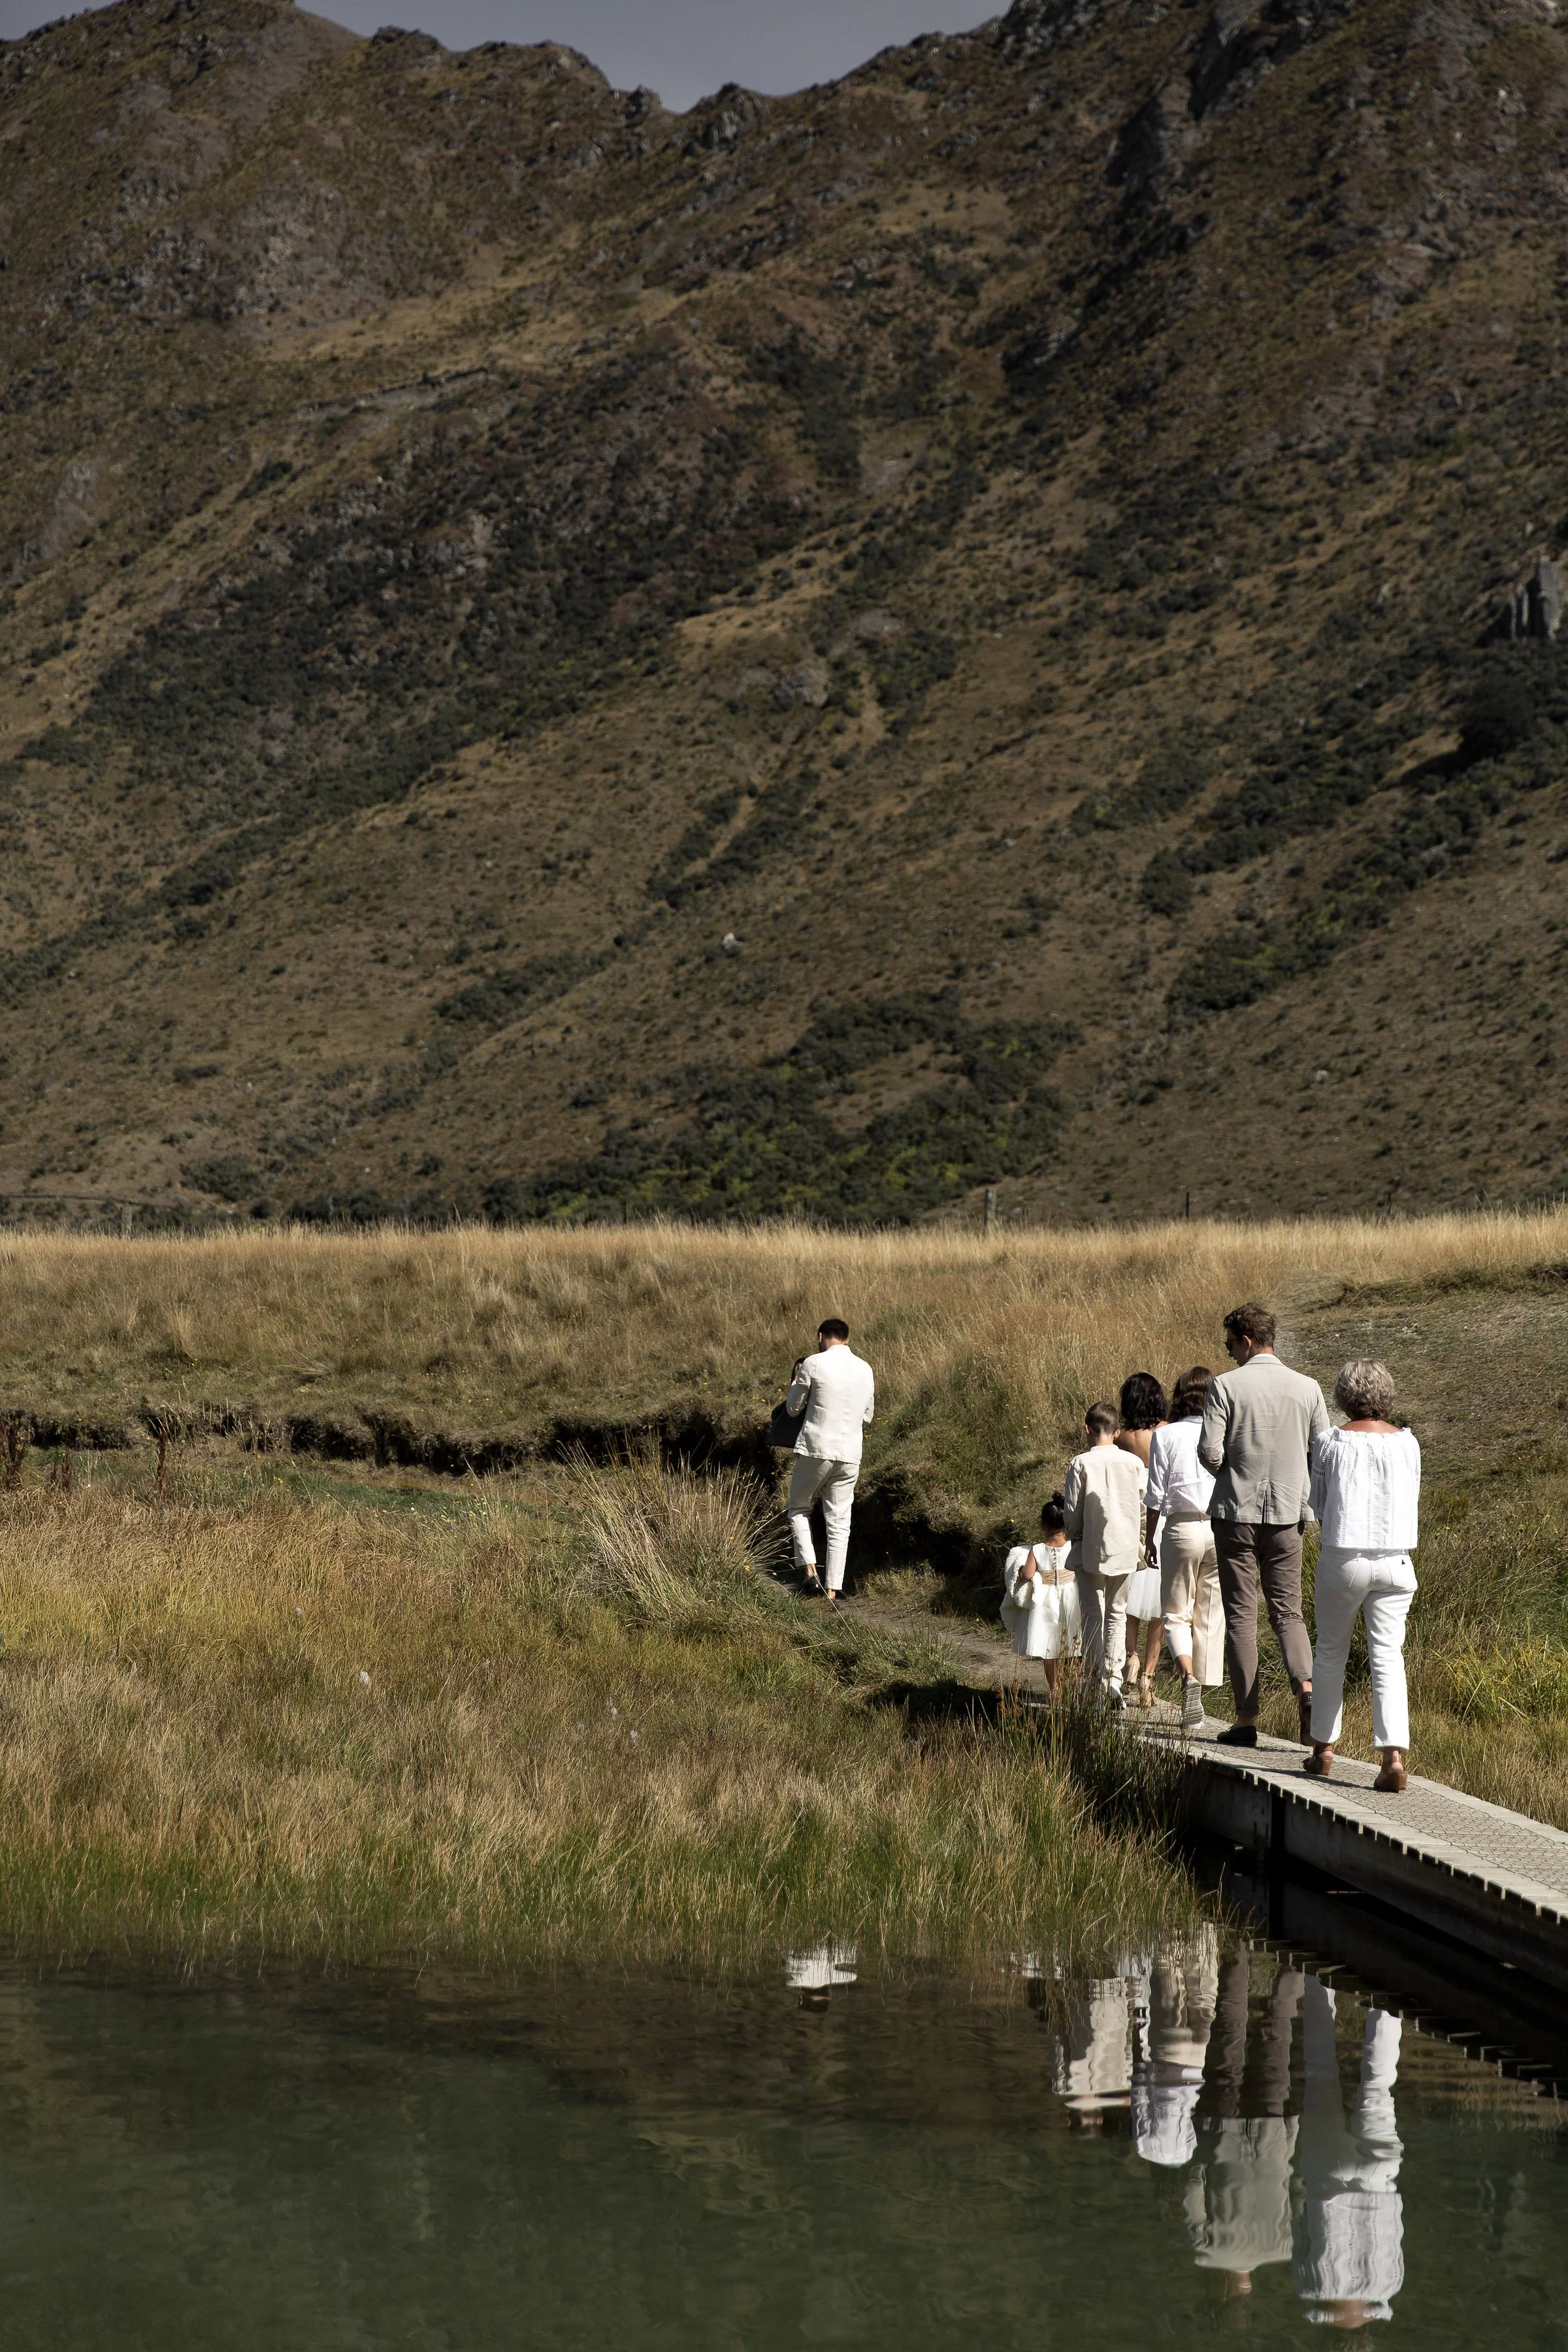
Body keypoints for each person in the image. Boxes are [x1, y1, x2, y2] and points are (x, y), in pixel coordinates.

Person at [1198, 1302, 1329, 1750]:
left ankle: (1246, 1718)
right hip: (1290, 1514)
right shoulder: (1308, 1388)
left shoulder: (1225, 1386)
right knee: (1288, 1611)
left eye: (1231, 1344)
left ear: (1247, 1341)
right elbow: (1322, 1449)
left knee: (1241, 1614)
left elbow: (1209, 1450)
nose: (1230, 1353)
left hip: (1236, 1512)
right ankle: (1307, 1691)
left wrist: (1230, 1474)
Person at [1305, 1360, 1420, 1793]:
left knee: (1331, 1650)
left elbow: (1318, 1503)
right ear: (1386, 1396)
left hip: (1344, 1553)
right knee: (1389, 1656)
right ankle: (1392, 1755)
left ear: (1344, 1396)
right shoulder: (1409, 1444)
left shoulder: (1330, 1443)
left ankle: (1324, 1749)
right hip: (1396, 1557)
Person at [1184, 1947, 1303, 2300]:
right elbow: (1193, 2184)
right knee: (1229, 2035)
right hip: (1222, 2132)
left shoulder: (1285, 2248)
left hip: (1274, 2135)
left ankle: (1295, 1957)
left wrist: (1291, 2132)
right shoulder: (1205, 2253)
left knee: (1277, 2034)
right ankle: (1236, 1947)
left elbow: (1298, 2189)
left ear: (1247, 2287)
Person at [1294, 1980, 1405, 2327]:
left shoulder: (1389, 2287)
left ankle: (1388, 1987)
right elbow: (1298, 2223)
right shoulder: (1311, 2290)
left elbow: (1396, 2231)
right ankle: (1314, 1978)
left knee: (1379, 2082)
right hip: (1327, 2177)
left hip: (1380, 2176)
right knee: (1320, 2073)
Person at [1145, 1365, 1225, 1732]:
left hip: (1180, 1527)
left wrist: (1149, 1537)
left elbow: (1156, 1496)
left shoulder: (1166, 1436)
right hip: (1219, 1527)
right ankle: (1203, 1692)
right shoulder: (1223, 1433)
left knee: (1176, 1611)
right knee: (1209, 1611)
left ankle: (1188, 1678)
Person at [784, 1318, 875, 1607]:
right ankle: (834, 1589)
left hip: (816, 1449)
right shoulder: (866, 1368)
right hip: (850, 1453)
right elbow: (868, 1416)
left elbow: (793, 1408)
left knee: (799, 1508)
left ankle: (810, 1573)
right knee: (839, 1523)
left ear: (821, 1336)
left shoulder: (812, 1363)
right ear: (847, 1339)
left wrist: (795, 1381)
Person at [1065, 1401, 1147, 1710]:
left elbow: (1072, 1515)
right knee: (1117, 1613)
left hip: (1090, 1547)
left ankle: (1096, 1682)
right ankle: (1113, 1680)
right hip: (1126, 1547)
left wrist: (1075, 1534)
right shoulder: (1133, 1463)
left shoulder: (1080, 1463)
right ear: (1118, 1432)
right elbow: (1143, 1507)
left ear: (1088, 1429)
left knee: (1092, 1615)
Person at [1132, 1927, 1218, 2170]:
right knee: (1167, 1978)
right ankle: (1171, 1927)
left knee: (1204, 1994)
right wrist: (1140, 2056)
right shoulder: (1143, 2147)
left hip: (1197, 2064)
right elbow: (1139, 2095)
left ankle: (1205, 1929)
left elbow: (1191, 2117)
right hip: (1166, 2057)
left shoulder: (1186, 2152)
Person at [1116, 1373, 1168, 1703]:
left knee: (1131, 1597)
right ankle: (1148, 1677)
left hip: (1132, 1516)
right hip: (1162, 1515)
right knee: (1162, 1605)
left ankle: (1130, 1658)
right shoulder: (1166, 1432)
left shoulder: (1122, 1437)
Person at [1000, 1492, 1082, 1701]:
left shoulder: (1036, 1550)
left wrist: (1019, 1572)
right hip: (1072, 1595)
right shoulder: (1074, 1546)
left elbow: (1027, 1575)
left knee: (1049, 1648)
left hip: (1046, 1599)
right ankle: (1073, 1688)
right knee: (1073, 1644)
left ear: (1043, 1525)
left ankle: (1055, 1690)